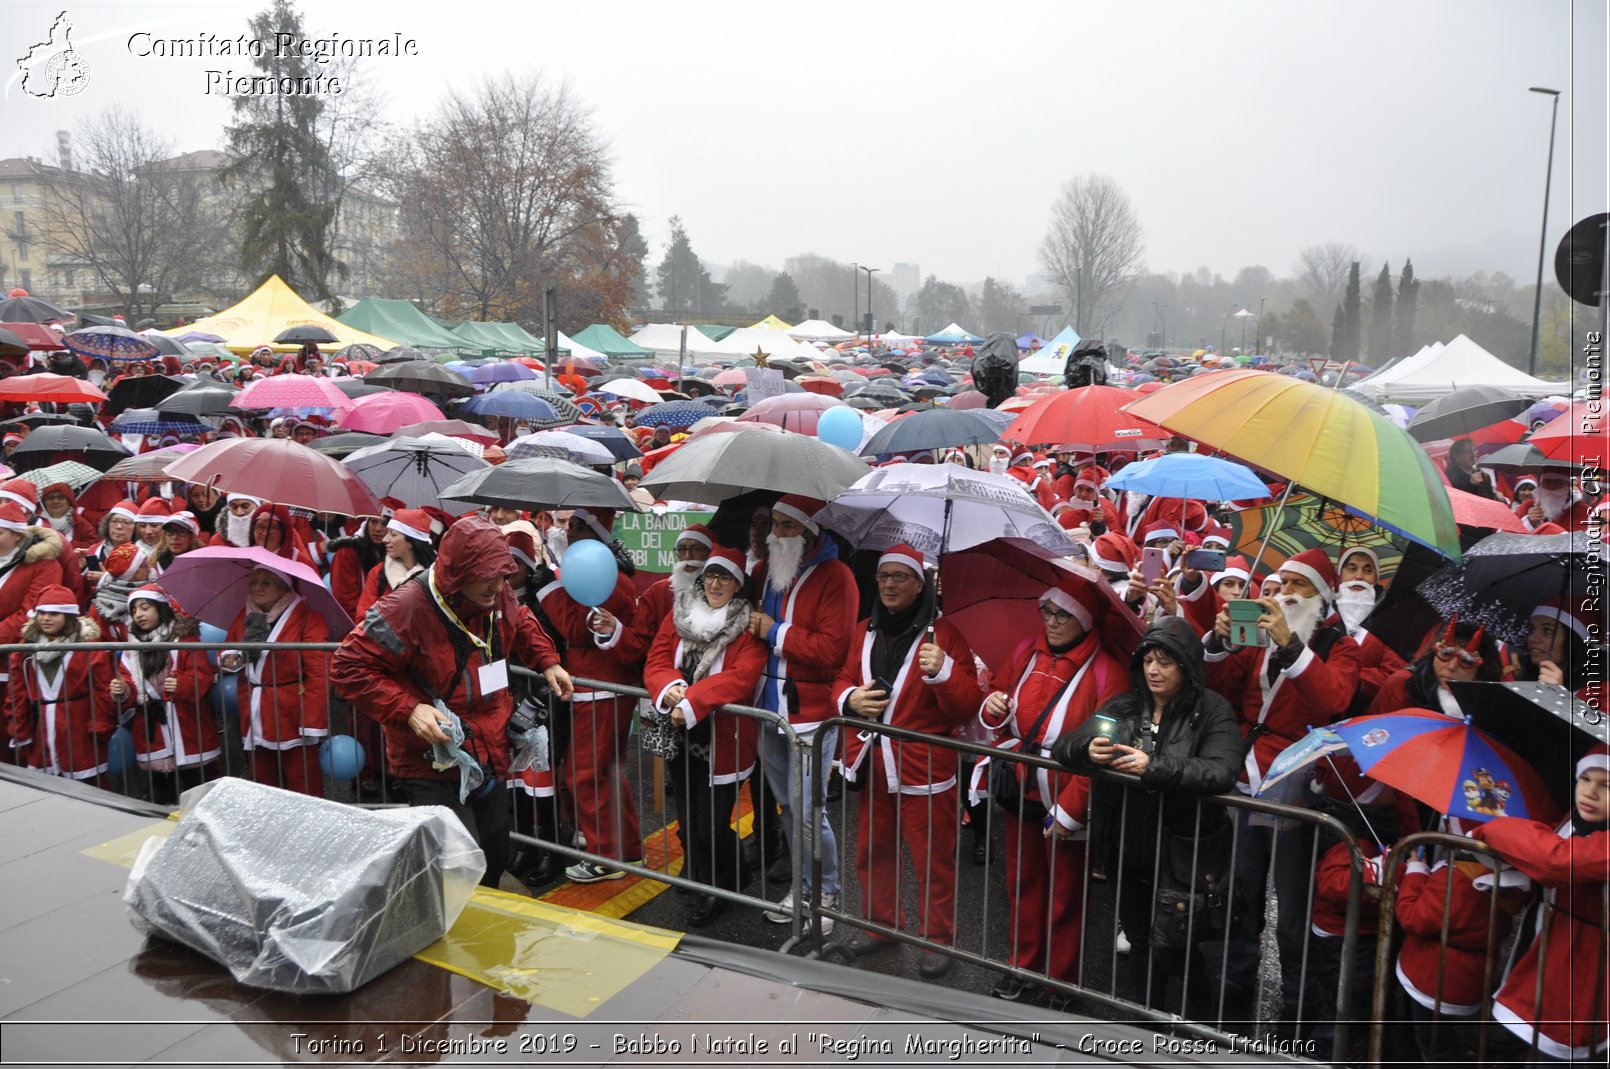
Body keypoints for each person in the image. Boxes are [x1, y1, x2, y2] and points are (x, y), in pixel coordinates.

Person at [331, 516, 574, 887]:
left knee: (493, 855)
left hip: (490, 747)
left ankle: (480, 937)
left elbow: (519, 619)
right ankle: (443, 933)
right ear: (458, 573)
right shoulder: (407, 607)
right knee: (459, 865)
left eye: (503, 574)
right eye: (488, 575)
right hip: (432, 759)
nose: (499, 584)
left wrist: (547, 659)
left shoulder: (496, 590)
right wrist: (408, 709)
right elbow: (347, 665)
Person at [1052, 616, 1242, 1016]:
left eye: (1165, 662)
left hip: (1180, 853)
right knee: (1139, 939)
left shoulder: (1211, 710)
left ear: (1187, 665)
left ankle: (1200, 1020)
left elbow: (1221, 771)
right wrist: (1086, 751)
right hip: (1127, 846)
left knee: (1176, 944)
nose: (1153, 670)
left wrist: (1152, 766)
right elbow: (1067, 745)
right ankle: (1148, 1021)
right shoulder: (1124, 706)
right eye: (1148, 660)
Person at [1203, 546, 1362, 1018]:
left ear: (1322, 595)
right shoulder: (1260, 634)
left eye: (1298, 585)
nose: (1285, 592)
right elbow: (1223, 689)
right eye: (1283, 582)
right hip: (1245, 775)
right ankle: (1235, 981)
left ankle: (1296, 997)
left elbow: (1333, 700)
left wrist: (1292, 646)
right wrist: (1219, 643)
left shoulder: (1340, 645)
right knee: (1240, 889)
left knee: (1293, 907)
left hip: (1296, 784)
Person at [831, 545, 978, 978]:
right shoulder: (864, 630)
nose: (890, 584)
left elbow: (966, 707)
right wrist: (849, 698)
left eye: (900, 577)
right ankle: (882, 926)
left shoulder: (945, 636)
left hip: (925, 768)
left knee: (933, 858)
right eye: (884, 577)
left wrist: (945, 672)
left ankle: (937, 939)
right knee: (871, 850)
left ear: (920, 583)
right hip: (872, 762)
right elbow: (839, 678)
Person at [977, 580, 1127, 1001]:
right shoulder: (1026, 651)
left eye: (1062, 614)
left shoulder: (1107, 672)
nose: (1052, 622)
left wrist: (1072, 810)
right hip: (1022, 787)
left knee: (1065, 893)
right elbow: (997, 696)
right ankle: (1022, 965)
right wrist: (993, 706)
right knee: (1021, 883)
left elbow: (1104, 749)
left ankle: (1061, 979)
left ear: (1082, 618)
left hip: (1067, 794)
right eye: (1046, 612)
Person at [749, 495, 858, 930]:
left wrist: (773, 631)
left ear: (810, 530)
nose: (777, 534)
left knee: (810, 810)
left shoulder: (838, 576)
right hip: (769, 707)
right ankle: (804, 886)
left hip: (811, 712)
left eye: (787, 527)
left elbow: (832, 651)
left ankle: (826, 893)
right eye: (774, 525)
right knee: (788, 808)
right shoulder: (767, 572)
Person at [642, 545, 766, 926]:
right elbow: (657, 658)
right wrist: (670, 688)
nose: (714, 583)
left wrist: (692, 701)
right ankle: (705, 874)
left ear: (738, 584)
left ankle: (722, 886)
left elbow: (742, 677)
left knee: (711, 822)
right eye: (710, 575)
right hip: (684, 737)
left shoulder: (748, 626)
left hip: (722, 737)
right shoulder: (680, 612)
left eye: (724, 577)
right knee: (688, 816)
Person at [1472, 744, 1609, 1063]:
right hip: (1546, 947)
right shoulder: (1576, 818)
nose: (1590, 792)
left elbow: (1555, 860)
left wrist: (1492, 829)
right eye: (1585, 779)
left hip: (1580, 967)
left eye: (1608, 785)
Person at [537, 507, 645, 883]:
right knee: (608, 772)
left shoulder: (608, 578)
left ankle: (606, 855)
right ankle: (625, 850)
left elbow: (575, 626)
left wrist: (546, 587)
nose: (570, 532)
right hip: (595, 688)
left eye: (581, 526)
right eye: (569, 525)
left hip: (602, 691)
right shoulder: (595, 571)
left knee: (585, 773)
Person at [218, 567, 331, 796]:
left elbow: (318, 672)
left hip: (292, 711)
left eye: (266, 582)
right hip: (255, 708)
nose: (257, 587)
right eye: (254, 582)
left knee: (302, 781)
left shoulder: (309, 619)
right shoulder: (245, 616)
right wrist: (229, 659)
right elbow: (226, 647)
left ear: (284, 587)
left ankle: (308, 827)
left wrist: (312, 721)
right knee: (261, 781)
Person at [109, 585, 221, 805]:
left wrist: (182, 684)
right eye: (134, 611)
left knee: (199, 794)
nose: (139, 614)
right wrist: (123, 691)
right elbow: (128, 682)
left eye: (145, 607)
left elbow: (202, 675)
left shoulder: (185, 639)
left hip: (189, 728)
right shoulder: (131, 649)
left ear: (160, 608)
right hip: (153, 734)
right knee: (162, 797)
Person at [7, 585, 116, 784]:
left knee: (89, 788)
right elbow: (17, 693)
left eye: (54, 613)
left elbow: (101, 690)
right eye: (42, 613)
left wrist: (100, 725)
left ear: (68, 616)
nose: (46, 618)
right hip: (41, 728)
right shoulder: (25, 650)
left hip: (79, 729)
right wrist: (19, 729)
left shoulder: (88, 648)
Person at [1367, 617, 1501, 717]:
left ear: (1481, 670)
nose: (1452, 666)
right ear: (1434, 652)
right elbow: (1370, 738)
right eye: (1446, 653)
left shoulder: (1488, 705)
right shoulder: (1404, 683)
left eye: (1466, 661)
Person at [355, 509, 437, 617]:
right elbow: (362, 617)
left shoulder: (434, 578)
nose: (385, 539)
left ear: (411, 542)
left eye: (393, 535)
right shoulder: (378, 573)